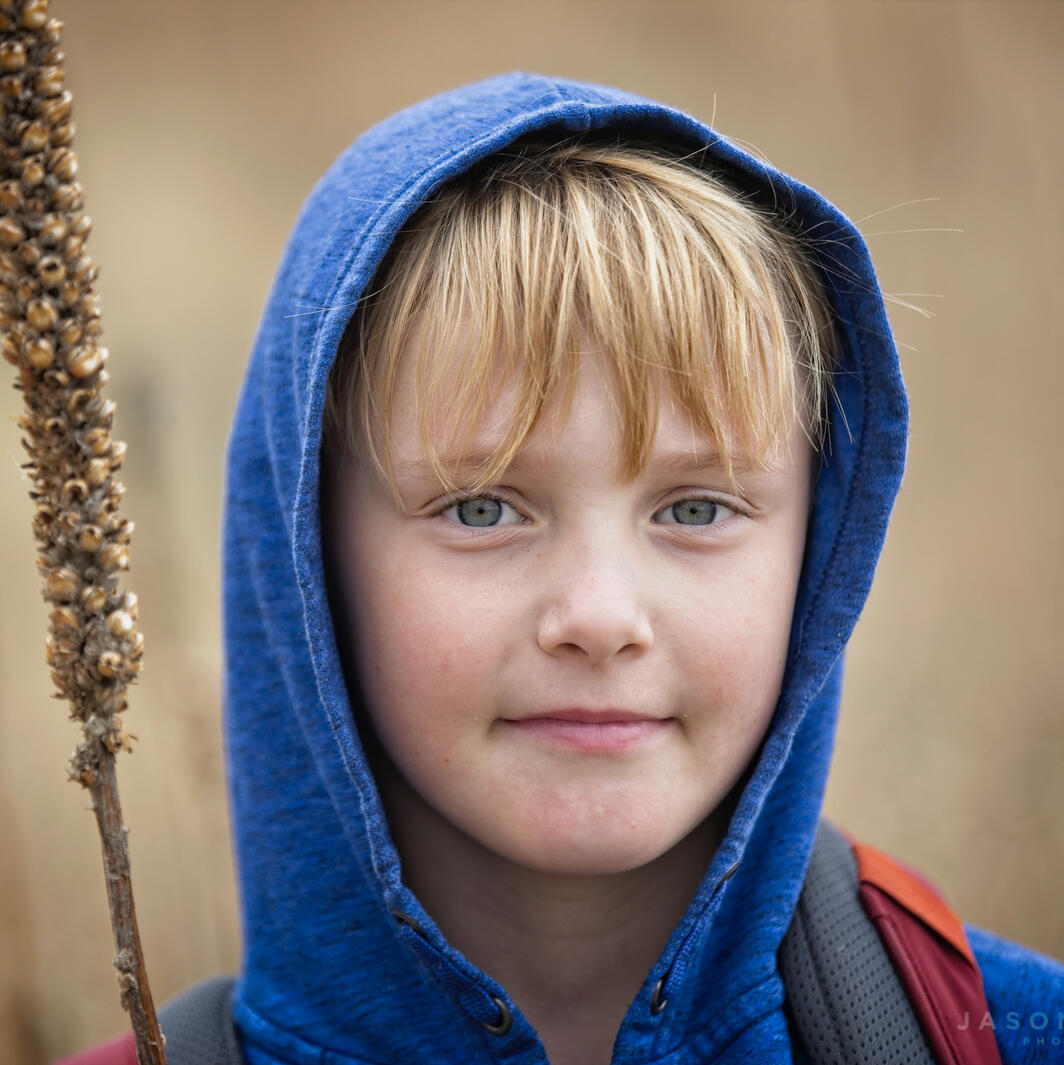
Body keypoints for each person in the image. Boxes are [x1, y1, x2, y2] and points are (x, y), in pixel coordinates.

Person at [60, 73, 1062, 1065]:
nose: (597, 615)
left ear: (816, 546)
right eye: (483, 507)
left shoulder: (994, 1036)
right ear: (312, 566)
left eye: (696, 508)